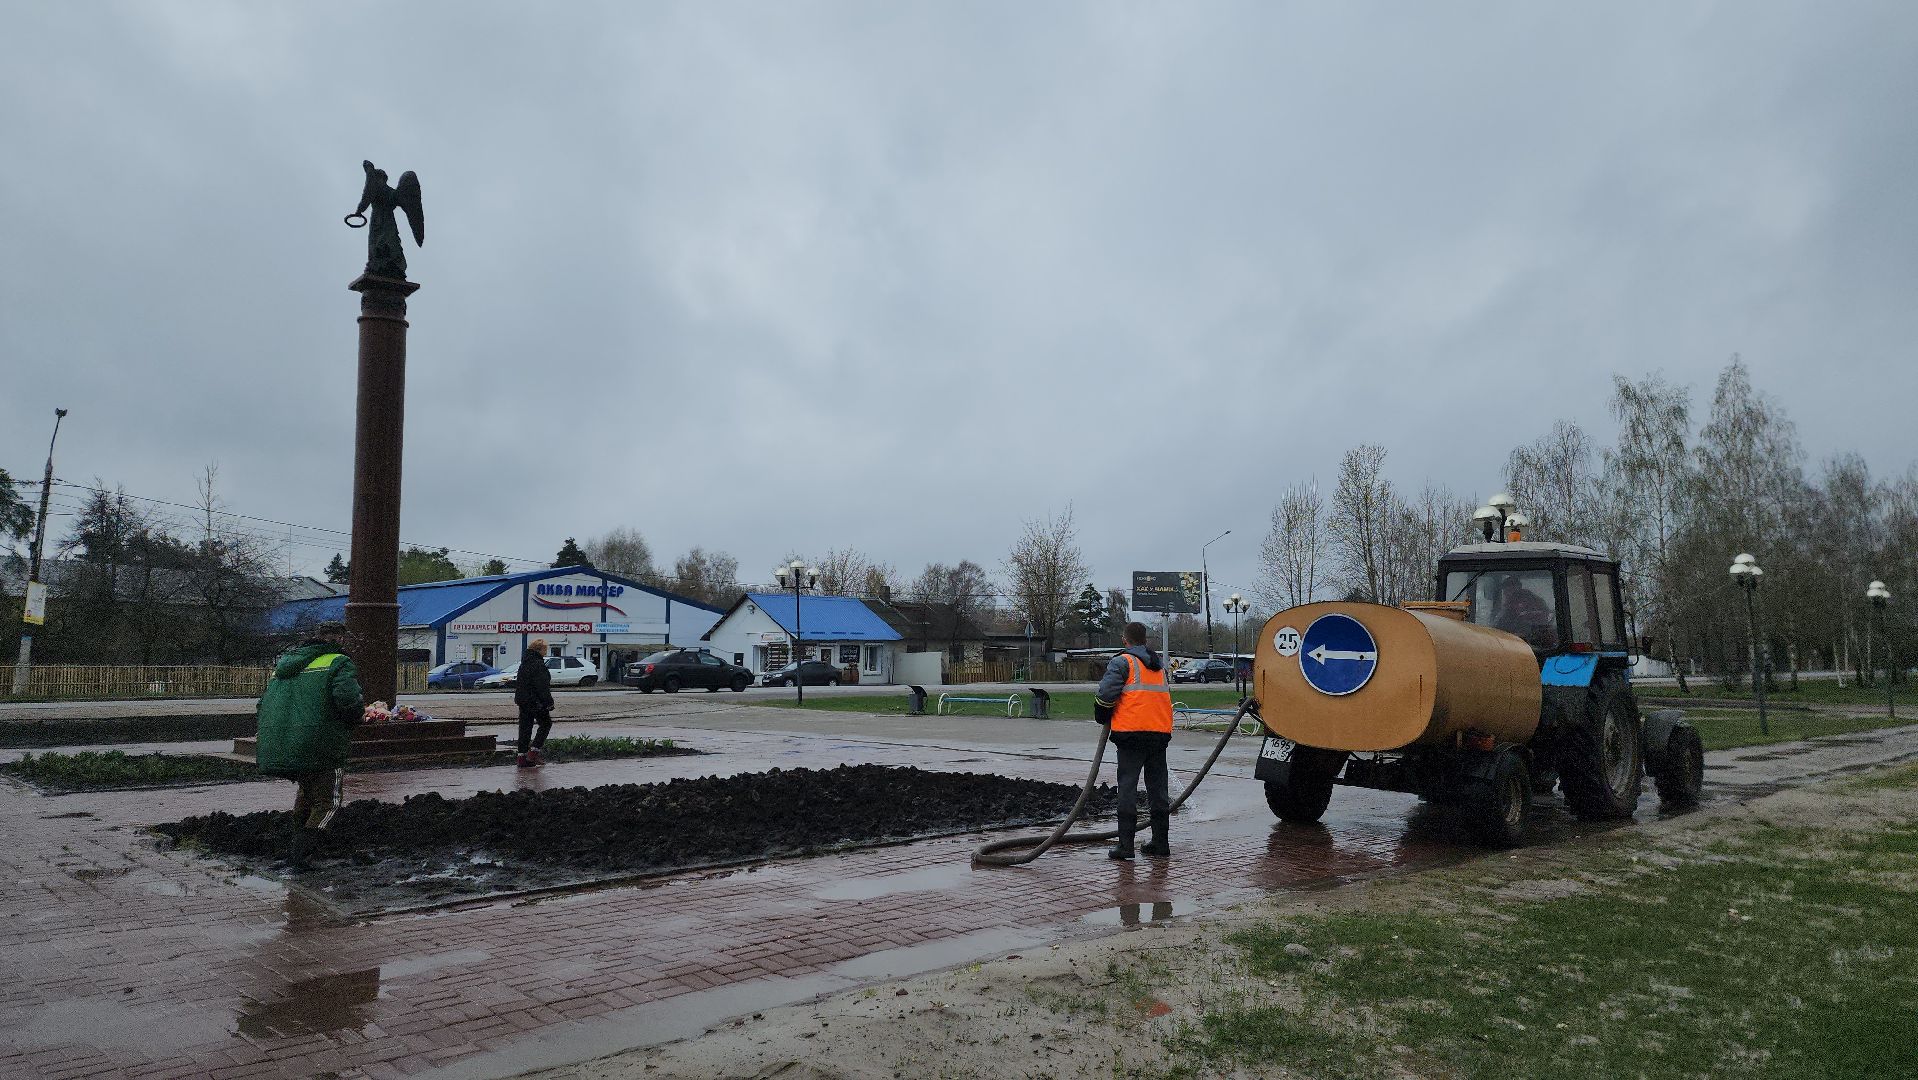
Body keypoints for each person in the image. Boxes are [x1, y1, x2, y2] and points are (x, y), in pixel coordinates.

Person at [254, 623, 363, 863]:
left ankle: (297, 845)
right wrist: (357, 717)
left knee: (306, 793)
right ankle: (303, 854)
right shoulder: (339, 662)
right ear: (340, 640)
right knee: (328, 802)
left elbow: (263, 705)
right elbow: (347, 700)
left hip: (285, 742)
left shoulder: (285, 665)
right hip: (321, 742)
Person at [1094, 621, 1175, 860]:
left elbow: (1106, 695)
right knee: (1158, 790)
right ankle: (1161, 843)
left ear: (1124, 640)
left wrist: (1102, 713)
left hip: (1131, 735)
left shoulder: (1122, 662)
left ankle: (1125, 847)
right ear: (1145, 640)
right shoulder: (1158, 666)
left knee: (1127, 788)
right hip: (1159, 735)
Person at [515, 639, 555, 767]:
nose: (545, 652)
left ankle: (521, 758)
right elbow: (542, 687)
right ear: (540, 650)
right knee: (546, 724)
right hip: (536, 702)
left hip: (523, 701)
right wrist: (549, 702)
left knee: (525, 728)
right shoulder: (539, 665)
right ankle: (533, 753)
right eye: (545, 650)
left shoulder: (524, 663)